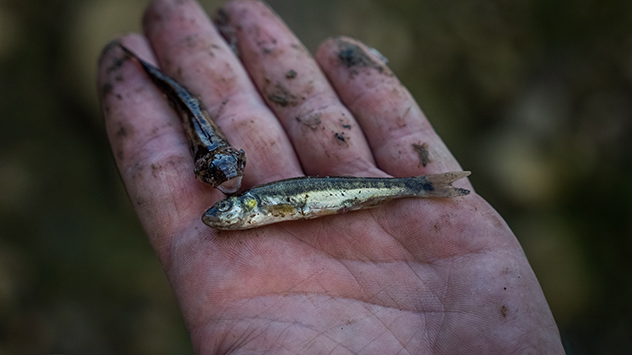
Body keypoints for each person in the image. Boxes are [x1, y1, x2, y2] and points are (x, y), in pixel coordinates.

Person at [97, 0, 565, 353]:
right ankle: (425, 187)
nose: (218, 213)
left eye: (225, 209)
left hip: (341, 192)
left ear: (246, 207)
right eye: (224, 208)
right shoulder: (242, 197)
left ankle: (426, 187)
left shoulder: (253, 202)